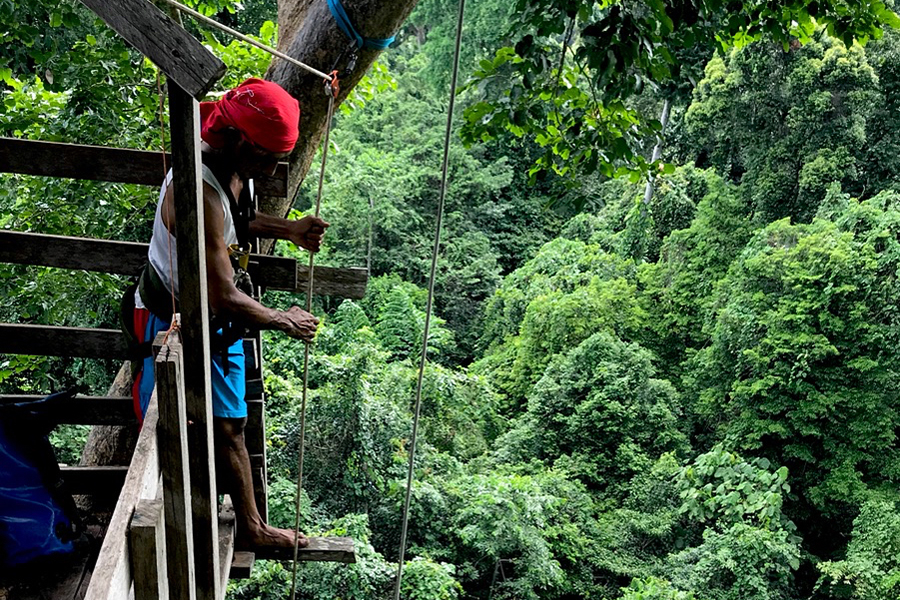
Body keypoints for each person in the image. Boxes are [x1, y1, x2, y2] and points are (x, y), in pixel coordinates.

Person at [128, 78, 328, 550]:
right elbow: (221, 293)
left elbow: (234, 219)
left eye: (277, 158)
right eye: (264, 156)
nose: (272, 167)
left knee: (230, 422)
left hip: (216, 316)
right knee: (177, 428)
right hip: (173, 316)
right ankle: (210, 528)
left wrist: (290, 230)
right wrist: (284, 318)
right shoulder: (193, 190)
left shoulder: (234, 163)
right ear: (236, 137)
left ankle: (250, 524)